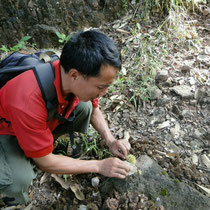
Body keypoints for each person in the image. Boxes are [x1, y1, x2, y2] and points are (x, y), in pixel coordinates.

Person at [0, 30, 131, 205]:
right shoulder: (27, 99)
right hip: (6, 131)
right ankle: (10, 193)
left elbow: (93, 108)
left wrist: (111, 140)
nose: (104, 92)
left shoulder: (68, 73)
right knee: (19, 178)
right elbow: (45, 162)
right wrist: (99, 165)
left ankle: (38, 145)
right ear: (75, 75)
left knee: (84, 106)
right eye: (101, 86)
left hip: (29, 122)